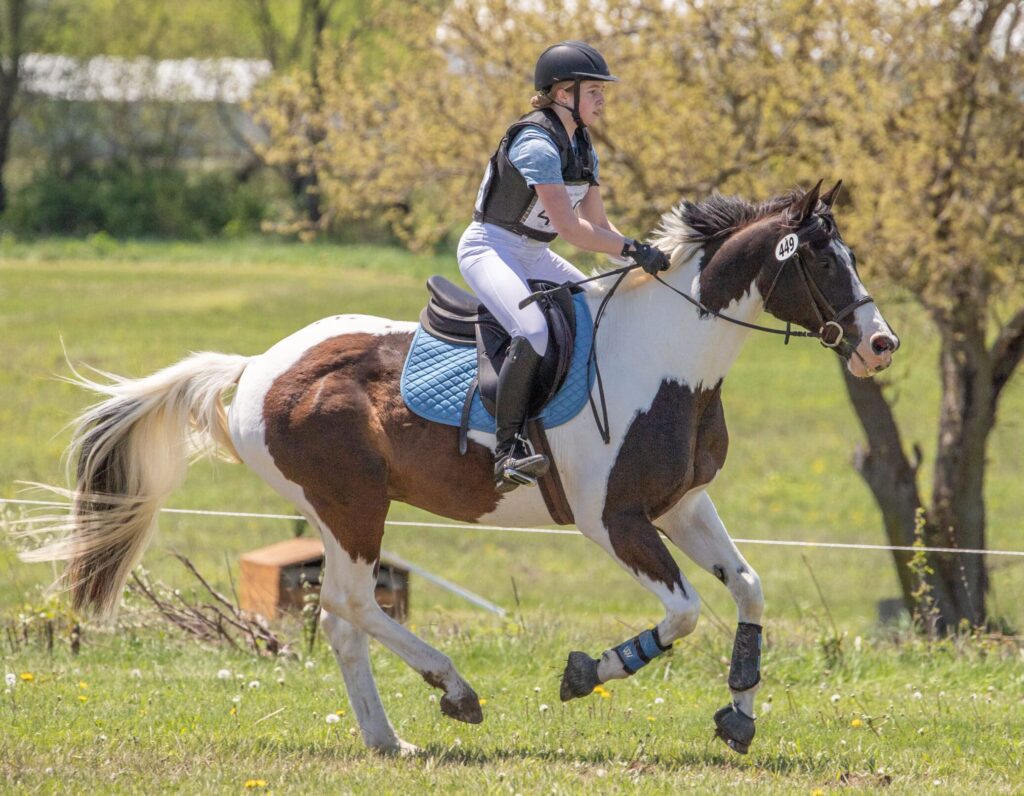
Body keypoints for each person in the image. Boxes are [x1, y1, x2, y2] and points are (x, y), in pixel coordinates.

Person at [459, 40, 671, 493]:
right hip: (490, 248)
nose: (601, 100)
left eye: (601, 91)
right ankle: (508, 449)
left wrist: (645, 262)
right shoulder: (536, 143)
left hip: (532, 253)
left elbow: (600, 225)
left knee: (599, 309)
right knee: (533, 331)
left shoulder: (582, 146)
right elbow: (573, 230)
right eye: (593, 90)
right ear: (561, 93)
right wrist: (633, 249)